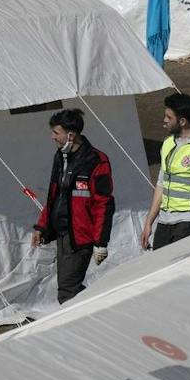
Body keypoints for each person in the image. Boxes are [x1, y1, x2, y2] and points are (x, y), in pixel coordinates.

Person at [30, 108, 112, 302]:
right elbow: (53, 195)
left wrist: (101, 242)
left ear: (71, 135)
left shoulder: (96, 161)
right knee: (70, 287)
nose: (52, 137)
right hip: (62, 234)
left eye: (56, 132)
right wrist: (42, 226)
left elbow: (104, 204)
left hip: (80, 237)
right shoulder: (60, 157)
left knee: (67, 291)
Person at [141, 92, 190, 251]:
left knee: (179, 270)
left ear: (182, 121)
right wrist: (149, 222)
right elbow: (161, 184)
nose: (164, 121)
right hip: (165, 221)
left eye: (169, 117)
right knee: (159, 271)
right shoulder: (168, 143)